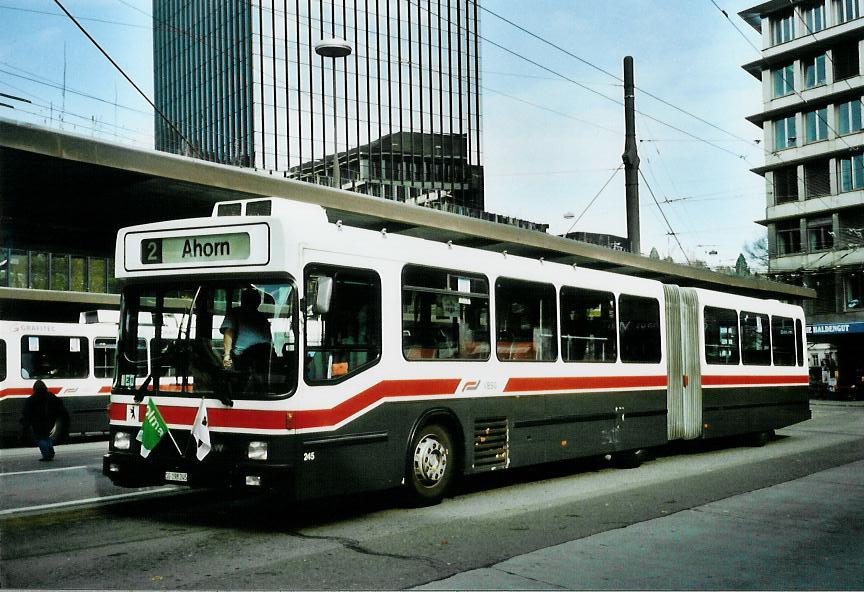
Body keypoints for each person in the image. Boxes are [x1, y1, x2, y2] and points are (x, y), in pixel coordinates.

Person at [220, 288, 272, 371]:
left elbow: (229, 332)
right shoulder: (262, 318)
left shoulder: (235, 313)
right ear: (258, 302)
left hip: (243, 357)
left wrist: (227, 355)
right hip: (261, 357)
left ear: (243, 300)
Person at [20, 380, 69, 461]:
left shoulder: (31, 399)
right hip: (50, 421)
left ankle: (46, 455)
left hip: (37, 423)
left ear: (34, 389)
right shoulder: (51, 396)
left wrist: (25, 423)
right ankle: (50, 451)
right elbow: (60, 408)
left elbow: (26, 412)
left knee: (40, 438)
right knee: (46, 436)